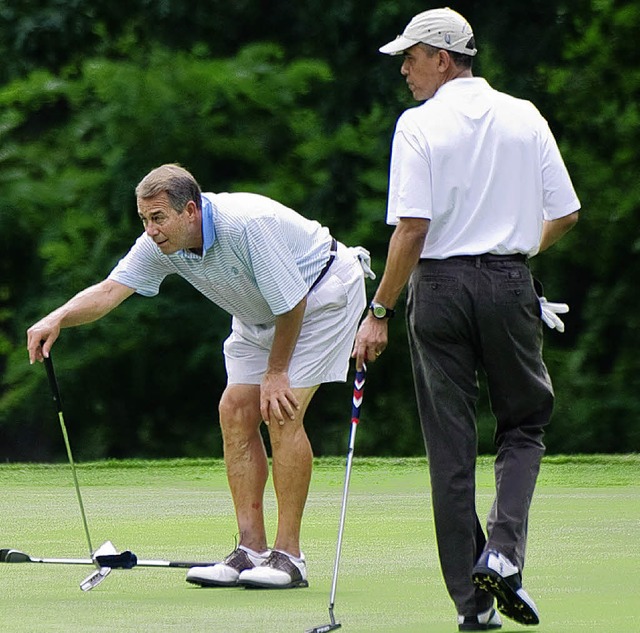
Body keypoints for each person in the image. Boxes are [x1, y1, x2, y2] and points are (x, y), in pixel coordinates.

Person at [27, 163, 373, 590]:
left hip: (320, 296)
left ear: (190, 211)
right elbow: (110, 290)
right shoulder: (160, 244)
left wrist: (277, 372)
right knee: (234, 410)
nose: (150, 230)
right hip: (260, 310)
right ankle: (250, 551)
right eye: (144, 219)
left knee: (281, 410)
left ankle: (289, 558)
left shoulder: (247, 226)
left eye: (158, 218)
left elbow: (292, 303)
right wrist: (57, 318)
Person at [352, 8, 580, 632]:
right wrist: (513, 255)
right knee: (524, 424)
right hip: (508, 283)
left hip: (440, 288)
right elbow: (564, 214)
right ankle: (503, 553)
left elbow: (413, 228)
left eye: (411, 57)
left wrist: (379, 313)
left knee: (450, 448)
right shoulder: (524, 114)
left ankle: (473, 607)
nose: (404, 69)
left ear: (443, 59)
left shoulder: (418, 125)